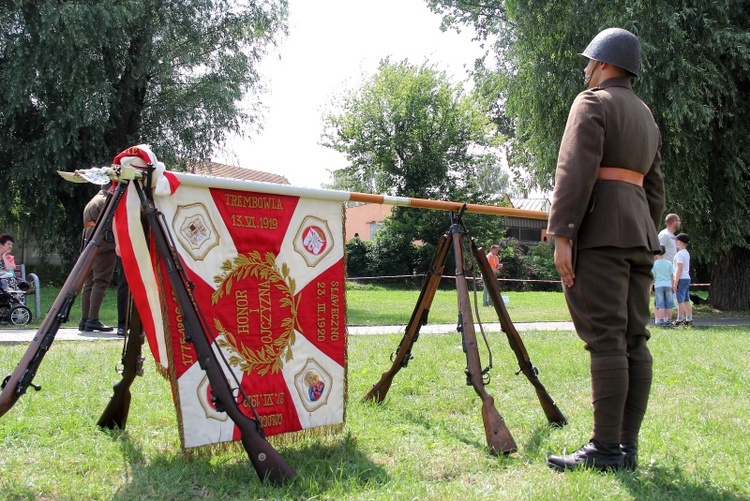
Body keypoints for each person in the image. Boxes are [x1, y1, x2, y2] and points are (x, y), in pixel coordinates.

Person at [545, 27, 664, 472]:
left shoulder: (592, 102)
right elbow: (655, 187)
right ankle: (625, 447)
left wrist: (562, 234)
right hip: (638, 236)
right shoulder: (646, 116)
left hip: (599, 235)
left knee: (606, 339)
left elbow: (574, 171)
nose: (585, 69)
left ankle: (605, 449)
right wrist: (649, 236)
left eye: (589, 62)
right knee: (635, 338)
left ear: (605, 63)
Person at [79, 183, 117, 332]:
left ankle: (85, 319)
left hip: (90, 243)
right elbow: (113, 222)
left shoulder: (94, 200)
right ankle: (92, 319)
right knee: (100, 281)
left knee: (89, 282)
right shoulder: (106, 201)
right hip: (103, 244)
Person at [651, 245, 675, 327]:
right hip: (668, 285)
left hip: (658, 285)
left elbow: (652, 277)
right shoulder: (668, 263)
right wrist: (673, 284)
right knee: (669, 304)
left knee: (660, 304)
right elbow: (672, 275)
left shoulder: (654, 264)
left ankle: (661, 321)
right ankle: (668, 320)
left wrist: (650, 287)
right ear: (665, 252)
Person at [673, 233, 692, 326]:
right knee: (686, 299)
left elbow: (679, 268)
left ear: (679, 242)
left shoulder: (679, 254)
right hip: (686, 278)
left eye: (676, 241)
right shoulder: (686, 252)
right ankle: (689, 318)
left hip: (681, 278)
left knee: (679, 299)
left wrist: (675, 282)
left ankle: (679, 319)